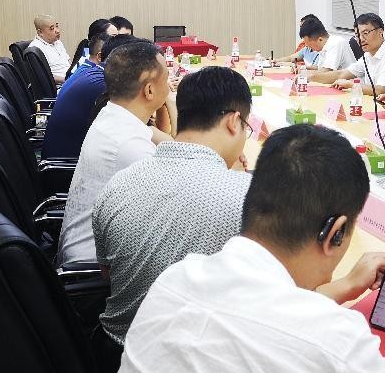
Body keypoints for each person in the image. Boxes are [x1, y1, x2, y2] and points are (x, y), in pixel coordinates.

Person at [101, 124, 385, 373]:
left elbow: (262, 312)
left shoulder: (177, 278)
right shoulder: (334, 343)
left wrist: (345, 285)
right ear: (335, 232)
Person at [91, 66, 254, 347]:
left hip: (112, 351)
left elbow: (108, 273)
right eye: (246, 129)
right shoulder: (249, 200)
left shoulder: (119, 182)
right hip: (191, 362)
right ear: (233, 122)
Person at [57, 39, 173, 268]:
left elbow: (171, 146)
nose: (169, 86)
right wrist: (172, 103)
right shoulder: (130, 146)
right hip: (92, 271)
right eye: (167, 78)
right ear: (149, 90)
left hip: (92, 254)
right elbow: (182, 194)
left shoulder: (113, 114)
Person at [41, 32, 112, 161]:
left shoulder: (87, 71)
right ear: (100, 56)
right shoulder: (97, 82)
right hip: (65, 163)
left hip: (59, 154)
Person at [310, 13, 385, 96]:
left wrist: (351, 85)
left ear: (380, 32)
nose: (361, 39)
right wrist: (310, 78)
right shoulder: (368, 55)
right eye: (357, 35)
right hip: (372, 103)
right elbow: (341, 74)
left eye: (365, 33)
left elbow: (379, 90)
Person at [26, 14, 70, 83]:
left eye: (57, 26)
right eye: (52, 28)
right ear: (40, 32)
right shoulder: (36, 49)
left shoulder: (57, 42)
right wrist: (67, 79)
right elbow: (44, 76)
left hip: (71, 79)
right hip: (60, 85)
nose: (57, 31)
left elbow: (67, 62)